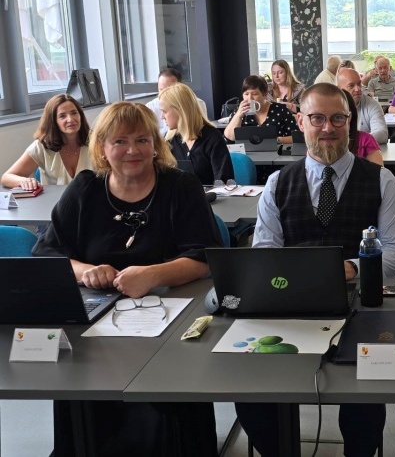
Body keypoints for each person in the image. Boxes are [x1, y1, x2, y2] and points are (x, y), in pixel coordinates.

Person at [33, 101, 221, 456]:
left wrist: (152, 275)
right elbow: (47, 253)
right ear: (102, 147)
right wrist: (87, 271)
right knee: (80, 382)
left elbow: (205, 258)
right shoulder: (86, 190)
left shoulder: (180, 186)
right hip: (95, 320)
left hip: (171, 318)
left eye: (141, 140)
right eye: (119, 141)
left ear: (155, 143)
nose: (132, 150)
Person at [235, 83, 395, 457]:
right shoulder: (277, 184)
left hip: (360, 307)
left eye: (337, 118)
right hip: (289, 306)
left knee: (365, 399)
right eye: (317, 118)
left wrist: (351, 268)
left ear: (351, 122)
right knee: (252, 398)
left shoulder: (382, 181)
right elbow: (265, 251)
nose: (327, 128)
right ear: (301, 121)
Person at [2, 94, 92, 190]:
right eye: (62, 116)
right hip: (54, 203)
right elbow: (6, 177)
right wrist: (23, 181)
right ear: (53, 121)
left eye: (74, 113)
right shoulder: (42, 146)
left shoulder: (96, 141)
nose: (70, 119)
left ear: (80, 115)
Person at [159, 83, 234, 185]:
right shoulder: (169, 140)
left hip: (210, 199)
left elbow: (223, 182)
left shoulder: (212, 138)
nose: (161, 116)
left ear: (180, 110)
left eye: (164, 111)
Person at [222, 75, 297, 144]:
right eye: (246, 94)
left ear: (264, 94)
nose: (250, 98)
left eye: (254, 94)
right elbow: (228, 139)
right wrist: (238, 116)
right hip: (248, 154)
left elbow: (297, 137)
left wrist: (277, 140)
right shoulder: (240, 111)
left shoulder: (280, 110)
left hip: (276, 154)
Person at [145, 67, 207, 136]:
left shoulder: (197, 104)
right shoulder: (150, 107)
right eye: (161, 90)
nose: (164, 94)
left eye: (169, 89)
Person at [338, 67, 389, 144]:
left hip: (364, 154)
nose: (357, 89)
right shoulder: (330, 108)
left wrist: (352, 141)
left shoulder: (372, 104)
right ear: (339, 89)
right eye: (351, 85)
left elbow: (382, 134)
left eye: (359, 84)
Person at [343, 90, 383, 165]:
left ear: (349, 117)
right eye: (319, 118)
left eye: (338, 117)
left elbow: (378, 175)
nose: (327, 127)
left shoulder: (366, 141)